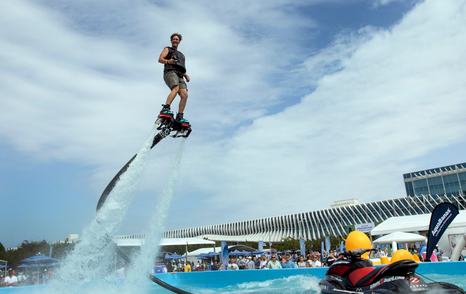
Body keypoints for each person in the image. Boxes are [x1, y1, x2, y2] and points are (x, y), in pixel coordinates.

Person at [158, 32, 191, 123]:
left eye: (177, 39)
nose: (175, 40)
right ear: (171, 40)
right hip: (170, 72)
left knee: (184, 95)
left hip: (180, 75)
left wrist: (185, 75)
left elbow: (180, 66)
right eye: (174, 39)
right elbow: (160, 59)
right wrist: (169, 61)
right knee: (175, 88)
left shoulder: (181, 55)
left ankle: (179, 117)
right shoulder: (167, 49)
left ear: (179, 41)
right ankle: (166, 108)